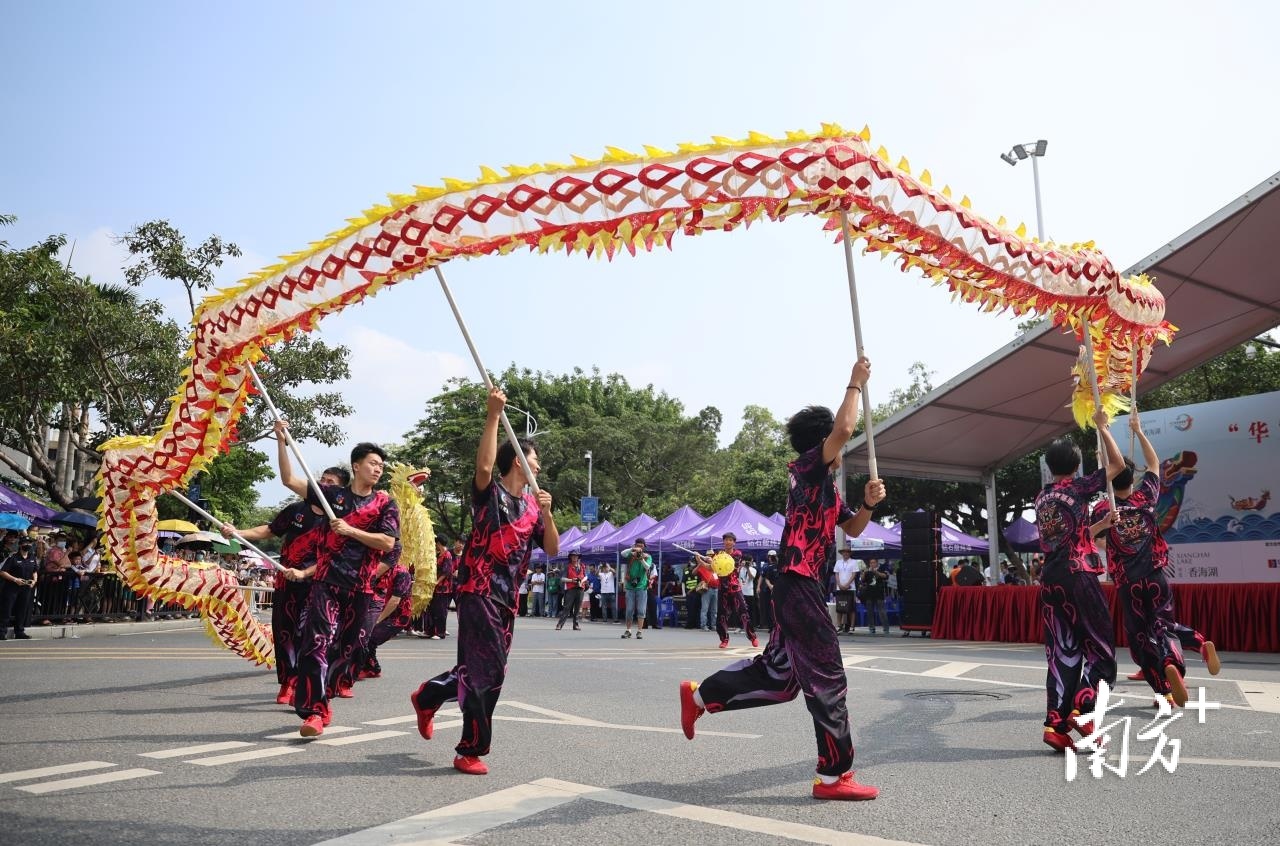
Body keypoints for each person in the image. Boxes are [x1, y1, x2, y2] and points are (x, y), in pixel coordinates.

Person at [680, 357, 886, 801]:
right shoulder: (809, 467)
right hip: (800, 583)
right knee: (828, 676)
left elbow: (852, 529)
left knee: (779, 679)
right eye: (832, 435)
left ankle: (701, 696)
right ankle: (834, 777)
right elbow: (845, 431)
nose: (840, 440)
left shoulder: (825, 486)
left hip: (799, 588)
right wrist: (853, 384)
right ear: (821, 440)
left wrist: (868, 505)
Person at [410, 387, 559, 776]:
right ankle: (469, 750)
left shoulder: (531, 507)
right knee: (487, 672)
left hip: (508, 599)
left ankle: (429, 695)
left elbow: (553, 549)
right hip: (478, 591)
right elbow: (483, 468)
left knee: (481, 668)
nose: (538, 468)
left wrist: (547, 513)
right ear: (516, 463)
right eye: (533, 460)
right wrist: (493, 416)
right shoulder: (489, 494)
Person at [275, 421, 400, 738]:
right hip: (327, 583)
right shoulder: (332, 495)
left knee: (351, 651)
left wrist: (350, 531)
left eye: (380, 466)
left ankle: (327, 694)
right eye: (372, 463)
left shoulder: (385, 503)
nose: (377, 469)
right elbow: (289, 479)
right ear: (356, 465)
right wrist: (282, 441)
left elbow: (387, 543)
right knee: (315, 645)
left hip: (361, 587)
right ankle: (314, 712)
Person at [1091, 413, 1219, 705]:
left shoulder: (1104, 509)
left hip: (1128, 583)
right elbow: (1154, 464)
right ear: (1132, 480)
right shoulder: (1145, 498)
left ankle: (1164, 684)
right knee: (1163, 625)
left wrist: (1105, 529)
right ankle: (1188, 650)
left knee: (1140, 639)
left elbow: (1091, 538)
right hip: (1156, 576)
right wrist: (1137, 431)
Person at [1034, 410, 1125, 753]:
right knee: (1101, 652)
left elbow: (1072, 533)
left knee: (1062, 653)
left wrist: (1099, 527)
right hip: (1079, 575)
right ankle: (1085, 711)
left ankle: (1055, 724)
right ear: (1075, 466)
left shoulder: (1042, 498)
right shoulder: (1079, 487)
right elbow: (1116, 465)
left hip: (1050, 579)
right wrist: (1103, 428)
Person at [221, 465, 348, 705]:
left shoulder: (339, 522)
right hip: (286, 581)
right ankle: (287, 682)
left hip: (318, 586)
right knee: (284, 633)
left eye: (330, 482)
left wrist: (304, 573)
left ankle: (305, 683)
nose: (323, 485)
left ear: (340, 491)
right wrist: (238, 532)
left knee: (308, 635)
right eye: (321, 480)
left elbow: (332, 557)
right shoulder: (296, 510)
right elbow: (269, 530)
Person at [0, 537, 39, 639]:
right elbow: (3, 572)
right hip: (12, 588)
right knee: (7, 610)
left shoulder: (31, 557)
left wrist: (34, 581)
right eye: (26, 543)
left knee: (21, 610)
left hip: (26, 588)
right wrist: (15, 579)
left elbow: (35, 571)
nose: (28, 545)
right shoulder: (13, 557)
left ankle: (19, 632)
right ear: (20, 545)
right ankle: (1, 632)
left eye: (30, 543)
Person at [621, 539, 651, 640]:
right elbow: (622, 553)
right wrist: (633, 549)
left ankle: (639, 631)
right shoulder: (631, 554)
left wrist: (641, 558)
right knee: (629, 610)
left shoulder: (647, 556)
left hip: (641, 587)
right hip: (630, 586)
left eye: (641, 546)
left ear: (644, 547)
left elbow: (647, 567)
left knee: (641, 610)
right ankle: (628, 630)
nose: (640, 548)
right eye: (638, 545)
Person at [426, 537, 455, 640]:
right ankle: (431, 631)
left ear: (438, 543)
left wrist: (437, 582)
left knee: (441, 610)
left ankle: (440, 632)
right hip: (436, 587)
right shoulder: (439, 555)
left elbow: (446, 571)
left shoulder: (447, 555)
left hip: (444, 588)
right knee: (433, 609)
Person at [557, 552, 587, 631]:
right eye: (573, 556)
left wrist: (582, 581)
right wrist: (571, 580)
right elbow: (562, 579)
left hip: (580, 588)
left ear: (578, 557)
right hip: (571, 589)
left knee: (577, 608)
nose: (574, 557)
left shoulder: (582, 566)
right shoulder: (567, 566)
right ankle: (560, 624)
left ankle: (575, 625)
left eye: (576, 556)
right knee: (567, 607)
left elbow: (586, 576)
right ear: (570, 557)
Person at [832, 547, 859, 633]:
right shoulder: (838, 562)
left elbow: (854, 574)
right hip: (839, 587)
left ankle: (852, 626)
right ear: (842, 554)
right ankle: (839, 625)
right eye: (844, 552)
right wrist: (839, 584)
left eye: (847, 552)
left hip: (851, 588)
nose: (845, 554)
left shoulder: (854, 562)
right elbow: (836, 574)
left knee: (851, 608)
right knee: (840, 607)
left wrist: (847, 584)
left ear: (850, 553)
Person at [860, 559, 888, 635]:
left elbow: (885, 576)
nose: (872, 564)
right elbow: (862, 580)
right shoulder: (867, 571)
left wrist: (876, 572)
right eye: (871, 563)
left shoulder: (881, 569)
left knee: (881, 611)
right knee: (870, 612)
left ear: (877, 563)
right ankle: (871, 628)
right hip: (869, 594)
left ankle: (886, 628)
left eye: (874, 562)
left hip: (879, 593)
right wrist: (864, 573)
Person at [758, 550, 778, 629]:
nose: (771, 558)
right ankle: (767, 625)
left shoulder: (780, 566)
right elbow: (762, 577)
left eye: (773, 556)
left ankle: (776, 625)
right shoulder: (766, 566)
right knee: (767, 607)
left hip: (778, 590)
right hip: (767, 590)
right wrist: (758, 587)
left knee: (775, 608)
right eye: (770, 556)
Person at [682, 561, 702, 629]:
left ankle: (697, 624)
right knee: (690, 609)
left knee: (697, 609)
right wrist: (683, 592)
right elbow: (683, 582)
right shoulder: (686, 571)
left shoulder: (698, 571)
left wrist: (692, 590)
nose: (693, 564)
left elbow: (700, 583)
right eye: (692, 562)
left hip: (696, 592)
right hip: (688, 593)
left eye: (694, 562)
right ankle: (690, 624)